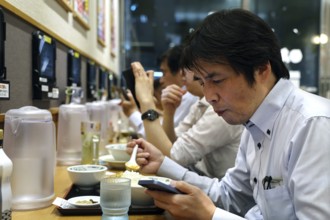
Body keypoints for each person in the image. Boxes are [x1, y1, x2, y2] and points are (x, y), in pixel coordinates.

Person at [127, 9, 330, 220]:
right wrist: (162, 165)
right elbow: (230, 196)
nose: (209, 96)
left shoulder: (312, 124)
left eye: (217, 81)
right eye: (202, 83)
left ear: (261, 69)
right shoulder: (254, 122)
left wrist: (212, 216)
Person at [130, 61, 243, 179]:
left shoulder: (221, 108)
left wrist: (146, 102)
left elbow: (171, 158)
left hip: (220, 190)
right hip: (207, 181)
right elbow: (173, 144)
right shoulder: (200, 103)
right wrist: (169, 111)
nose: (182, 74)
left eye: (186, 69)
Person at [121, 46, 199, 137]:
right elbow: (169, 139)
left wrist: (142, 104)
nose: (161, 80)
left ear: (180, 72)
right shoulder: (187, 97)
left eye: (164, 72)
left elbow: (160, 139)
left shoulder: (190, 97)